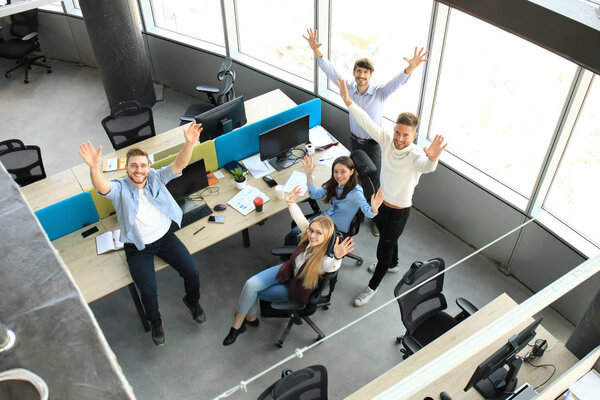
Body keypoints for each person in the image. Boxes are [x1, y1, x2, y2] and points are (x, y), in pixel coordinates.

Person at [78, 122, 206, 346]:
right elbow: (102, 187)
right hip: (138, 248)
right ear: (127, 169)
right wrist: (94, 168)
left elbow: (179, 164)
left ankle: (192, 301)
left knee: (192, 272)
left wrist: (189, 143)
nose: (139, 170)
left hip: (165, 238)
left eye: (142, 166)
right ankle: (155, 321)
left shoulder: (156, 177)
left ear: (149, 167)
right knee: (148, 291)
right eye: (134, 166)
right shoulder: (120, 188)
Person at [303, 27, 428, 236]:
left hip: (373, 144)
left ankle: (375, 218)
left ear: (371, 75)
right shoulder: (349, 88)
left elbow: (397, 82)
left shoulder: (380, 93)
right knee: (355, 179)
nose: (361, 76)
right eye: (358, 71)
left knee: (374, 182)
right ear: (354, 73)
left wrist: (410, 68)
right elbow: (331, 71)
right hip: (354, 141)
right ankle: (355, 212)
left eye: (365, 72)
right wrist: (317, 52)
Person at [337, 78, 447, 307]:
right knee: (389, 239)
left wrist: (434, 157)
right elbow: (367, 123)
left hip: (399, 212)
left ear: (414, 136)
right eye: (398, 132)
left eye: (405, 135)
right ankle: (394, 263)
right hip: (381, 204)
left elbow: (426, 167)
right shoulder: (387, 141)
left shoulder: (416, 155)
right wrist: (349, 101)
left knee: (383, 250)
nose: (399, 138)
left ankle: (372, 287)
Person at [223, 186, 355, 346]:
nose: (312, 235)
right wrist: (290, 202)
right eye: (312, 231)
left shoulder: (325, 259)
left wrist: (338, 257)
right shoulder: (310, 236)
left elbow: (331, 266)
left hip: (296, 287)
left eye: (318, 233)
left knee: (254, 293)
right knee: (251, 285)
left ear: (326, 236)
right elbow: (300, 220)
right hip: (288, 270)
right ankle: (242, 322)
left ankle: (243, 321)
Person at [283, 155, 384, 248]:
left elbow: (368, 212)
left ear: (351, 172)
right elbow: (314, 194)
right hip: (325, 217)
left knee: (294, 235)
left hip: (335, 227)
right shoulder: (335, 183)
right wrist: (309, 175)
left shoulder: (356, 193)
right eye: (336, 171)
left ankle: (287, 260)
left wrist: (374, 208)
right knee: (296, 231)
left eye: (343, 171)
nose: (339, 176)